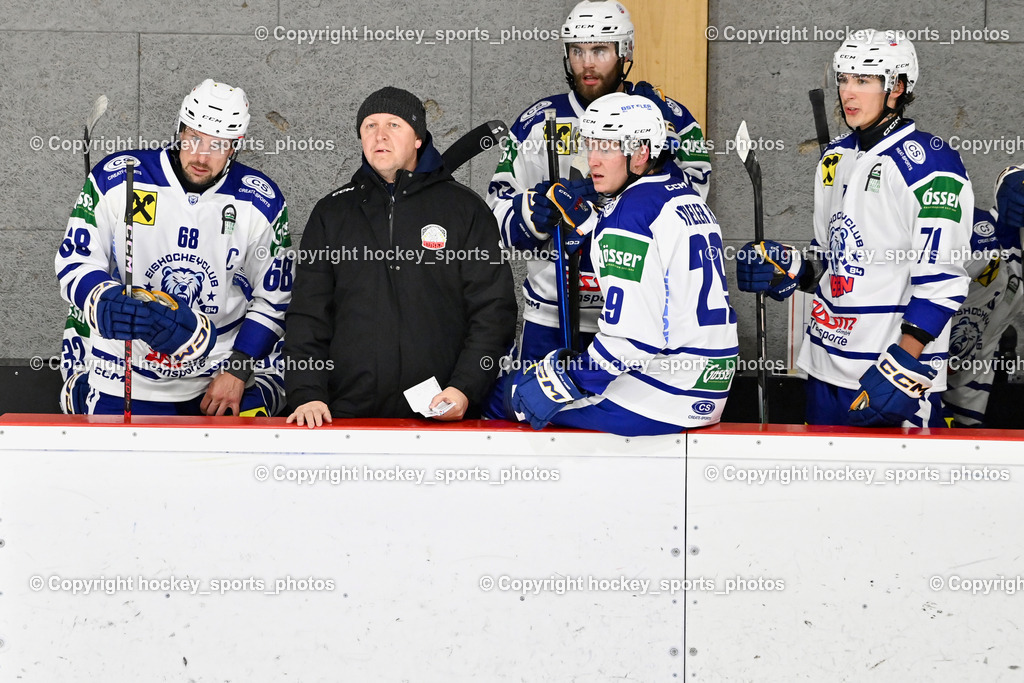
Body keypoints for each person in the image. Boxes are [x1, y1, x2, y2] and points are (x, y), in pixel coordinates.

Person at [482, 0, 711, 417]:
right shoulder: (539, 122)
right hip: (551, 317)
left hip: (637, 320)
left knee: (613, 445)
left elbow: (688, 204)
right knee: (531, 427)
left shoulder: (672, 118)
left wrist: (658, 143)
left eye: (601, 51)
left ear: (625, 53)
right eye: (577, 50)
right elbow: (493, 214)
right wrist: (529, 214)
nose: (587, 64)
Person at [736, 30, 973, 427]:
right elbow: (830, 258)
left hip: (887, 374)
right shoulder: (835, 157)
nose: (848, 93)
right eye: (844, 79)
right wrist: (788, 266)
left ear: (897, 86)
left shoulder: (932, 165)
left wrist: (904, 362)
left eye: (863, 81)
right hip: (824, 365)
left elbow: (943, 280)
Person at [500, 93, 737, 436]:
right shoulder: (683, 196)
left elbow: (632, 340)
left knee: (510, 395)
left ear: (641, 152)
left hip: (660, 395)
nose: (592, 160)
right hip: (709, 387)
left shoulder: (628, 216)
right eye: (590, 145)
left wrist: (567, 381)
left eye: (607, 148)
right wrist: (592, 227)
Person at [55, 79, 292, 416]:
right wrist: (102, 298)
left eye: (218, 144)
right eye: (194, 138)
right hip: (123, 372)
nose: (201, 155)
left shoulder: (259, 200)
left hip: (216, 373)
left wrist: (239, 368)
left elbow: (275, 296)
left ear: (235, 146)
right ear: (180, 131)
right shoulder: (119, 176)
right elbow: (76, 260)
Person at [283, 86, 517, 427]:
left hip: (441, 411)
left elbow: (493, 311)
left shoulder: (464, 210)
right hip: (345, 413)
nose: (380, 135)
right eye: (369, 126)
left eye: (394, 125)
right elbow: (308, 315)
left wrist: (464, 389)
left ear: (418, 138)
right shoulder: (332, 213)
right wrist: (307, 393)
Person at [943, 169, 1024, 427]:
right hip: (916, 369)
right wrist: (1012, 185)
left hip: (971, 390)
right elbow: (1012, 176)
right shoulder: (975, 233)